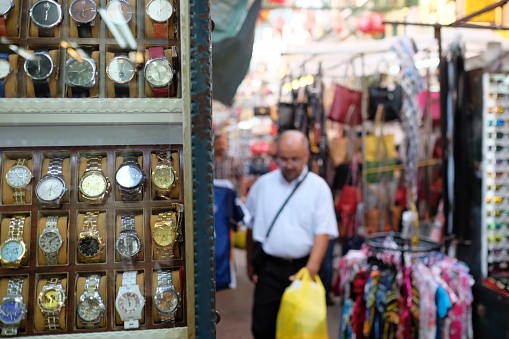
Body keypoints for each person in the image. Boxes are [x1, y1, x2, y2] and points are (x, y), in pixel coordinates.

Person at [245, 130, 338, 339]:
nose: (289, 165)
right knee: (263, 328)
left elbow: (323, 232)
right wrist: (251, 263)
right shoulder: (263, 185)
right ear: (276, 157)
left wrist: (310, 271)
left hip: (303, 269)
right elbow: (250, 225)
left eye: (295, 159)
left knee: (300, 331)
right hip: (269, 268)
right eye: (283, 159)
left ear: (306, 156)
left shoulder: (318, 187)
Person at [213, 134, 246, 198]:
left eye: (224, 143)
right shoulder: (210, 160)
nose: (222, 146)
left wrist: (243, 196)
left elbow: (242, 178)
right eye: (219, 144)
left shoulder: (234, 160)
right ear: (214, 144)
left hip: (231, 197)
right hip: (215, 197)